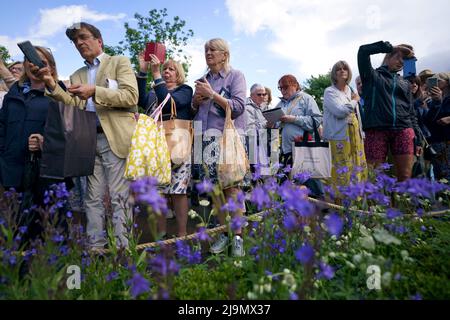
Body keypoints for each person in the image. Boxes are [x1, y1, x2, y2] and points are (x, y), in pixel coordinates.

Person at [36, 22, 139, 249]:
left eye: (83, 37)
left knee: (120, 198)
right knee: (92, 199)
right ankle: (95, 250)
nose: (79, 43)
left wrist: (95, 91)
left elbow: (131, 97)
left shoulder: (118, 62)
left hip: (116, 140)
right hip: (87, 142)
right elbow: (73, 104)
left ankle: (123, 252)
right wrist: (52, 85)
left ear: (98, 40)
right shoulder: (77, 74)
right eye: (75, 41)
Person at [0, 47, 69, 242]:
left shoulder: (58, 92)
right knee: (15, 231)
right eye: (29, 60)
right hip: (13, 172)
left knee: (50, 229)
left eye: (41, 61)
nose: (34, 64)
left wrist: (44, 142)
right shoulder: (14, 92)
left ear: (51, 68)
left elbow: (68, 129)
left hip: (46, 174)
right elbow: (2, 126)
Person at [191, 38, 247, 257]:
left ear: (224, 54)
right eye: (206, 50)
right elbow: (196, 112)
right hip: (205, 140)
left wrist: (212, 95)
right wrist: (196, 101)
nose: (208, 53)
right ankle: (225, 233)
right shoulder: (202, 79)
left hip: (226, 139)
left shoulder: (236, 76)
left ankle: (239, 236)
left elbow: (239, 107)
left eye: (213, 49)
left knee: (232, 188)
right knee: (215, 190)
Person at [137, 53, 193, 238]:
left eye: (171, 69)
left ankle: (182, 234)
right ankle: (161, 236)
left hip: (178, 146)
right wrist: (144, 71)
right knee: (158, 192)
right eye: (165, 69)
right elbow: (139, 100)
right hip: (156, 146)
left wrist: (156, 75)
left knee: (178, 191)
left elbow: (168, 104)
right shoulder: (154, 92)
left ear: (179, 74)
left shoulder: (185, 90)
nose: (166, 72)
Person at [357, 41, 422, 181]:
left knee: (405, 177)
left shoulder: (405, 83)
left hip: (403, 129)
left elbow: (411, 113)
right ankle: (379, 203)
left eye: (404, 60)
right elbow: (363, 51)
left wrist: (418, 139)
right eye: (398, 57)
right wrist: (391, 47)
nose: (401, 62)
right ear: (388, 57)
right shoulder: (371, 75)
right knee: (376, 177)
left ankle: (401, 203)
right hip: (376, 130)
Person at [323, 61, 367, 196]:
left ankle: (357, 201)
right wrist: (354, 101)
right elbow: (340, 111)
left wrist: (362, 133)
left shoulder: (351, 90)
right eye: (338, 69)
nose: (342, 71)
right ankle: (340, 204)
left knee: (357, 166)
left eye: (345, 69)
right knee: (341, 170)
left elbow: (357, 114)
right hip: (339, 136)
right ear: (334, 74)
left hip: (355, 134)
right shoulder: (330, 91)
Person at [275, 74, 324, 197]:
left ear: (295, 85)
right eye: (280, 88)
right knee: (289, 189)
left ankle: (319, 211)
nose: (282, 90)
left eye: (285, 87)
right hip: (286, 151)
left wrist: (293, 119)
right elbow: (274, 123)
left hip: (304, 148)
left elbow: (316, 120)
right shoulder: (280, 104)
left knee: (311, 187)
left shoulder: (306, 99)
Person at [424, 72, 450, 181]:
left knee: (446, 174)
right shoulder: (431, 100)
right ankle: (443, 197)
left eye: (439, 80)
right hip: (436, 141)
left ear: (447, 82)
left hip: (447, 140)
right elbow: (428, 119)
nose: (436, 83)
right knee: (439, 174)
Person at [244, 84, 270, 177]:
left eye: (264, 94)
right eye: (259, 94)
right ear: (251, 95)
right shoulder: (247, 107)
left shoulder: (264, 107)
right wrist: (266, 124)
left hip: (263, 144)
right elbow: (249, 128)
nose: (262, 96)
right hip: (252, 145)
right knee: (255, 173)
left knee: (264, 173)